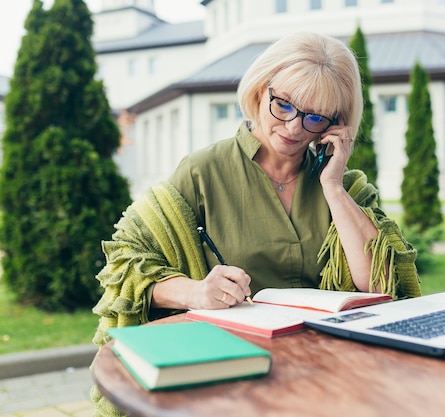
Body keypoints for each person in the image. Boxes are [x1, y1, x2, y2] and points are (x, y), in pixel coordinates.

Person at [90, 32, 421, 416]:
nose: (294, 128)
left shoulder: (344, 185)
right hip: (233, 371)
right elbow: (124, 264)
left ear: (336, 124)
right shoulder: (202, 172)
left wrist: (332, 186)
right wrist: (196, 292)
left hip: (328, 371)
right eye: (283, 106)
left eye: (315, 117)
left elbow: (382, 284)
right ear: (261, 90)